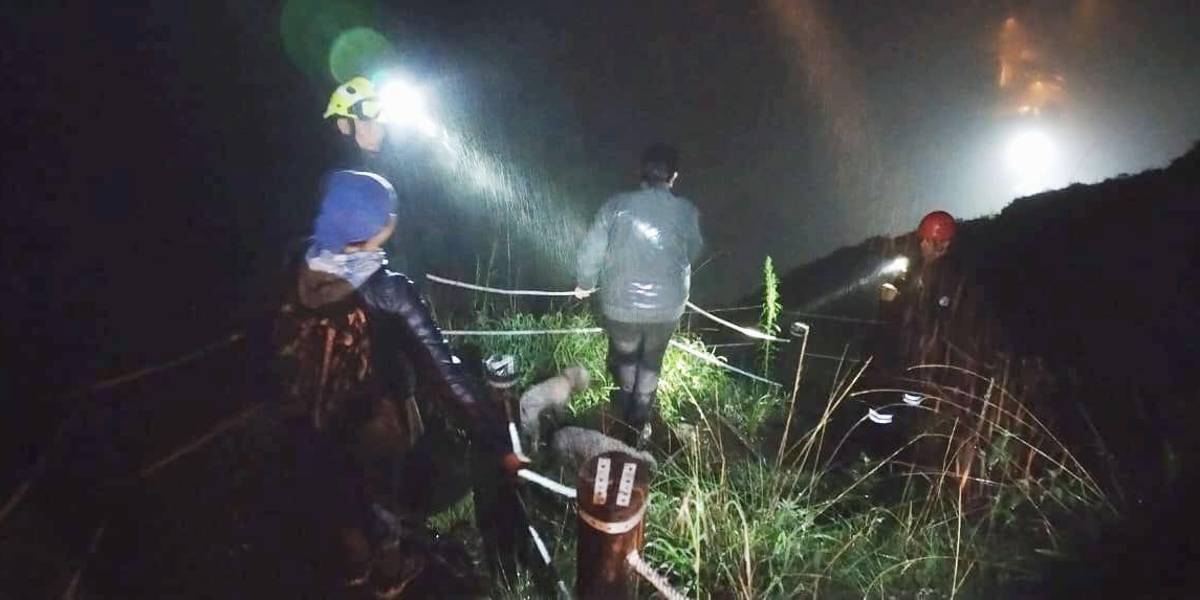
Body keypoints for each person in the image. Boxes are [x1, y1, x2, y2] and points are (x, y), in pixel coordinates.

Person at [273, 169, 521, 595]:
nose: (393, 217)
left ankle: (354, 564)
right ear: (367, 233)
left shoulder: (297, 259)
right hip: (369, 417)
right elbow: (446, 374)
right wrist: (498, 438)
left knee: (336, 485)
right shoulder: (388, 291)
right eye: (386, 214)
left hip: (308, 412)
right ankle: (390, 570)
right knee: (379, 486)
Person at [574, 144, 703, 443]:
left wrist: (584, 283)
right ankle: (639, 423)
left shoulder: (615, 205)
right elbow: (693, 251)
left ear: (641, 173)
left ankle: (624, 412)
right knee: (652, 361)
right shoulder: (686, 211)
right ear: (674, 176)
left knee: (626, 357)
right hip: (667, 308)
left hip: (620, 306)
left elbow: (591, 249)